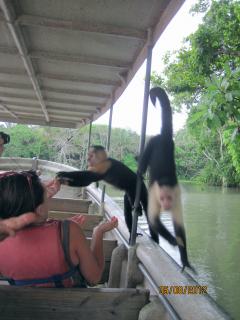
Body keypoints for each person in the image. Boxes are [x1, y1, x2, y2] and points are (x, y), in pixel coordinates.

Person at [0, 170, 118, 287]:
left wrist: (35, 200)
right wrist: (98, 232)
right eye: (45, 196)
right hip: (68, 304)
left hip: (19, 305)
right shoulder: (70, 230)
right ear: (40, 210)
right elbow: (94, 278)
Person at [57, 145, 151, 241]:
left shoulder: (106, 164)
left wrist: (67, 174)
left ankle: (146, 228)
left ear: (100, 156)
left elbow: (84, 175)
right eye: (88, 156)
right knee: (128, 211)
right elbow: (84, 181)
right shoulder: (99, 169)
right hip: (128, 189)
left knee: (145, 212)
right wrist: (67, 182)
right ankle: (132, 232)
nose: (88, 158)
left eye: (91, 155)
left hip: (137, 185)